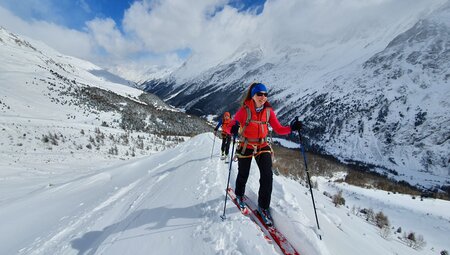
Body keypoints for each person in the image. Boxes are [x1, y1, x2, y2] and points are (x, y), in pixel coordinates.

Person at [225, 82, 302, 226]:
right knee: (243, 173)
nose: (263, 97)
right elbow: (229, 128)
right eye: (259, 94)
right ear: (253, 95)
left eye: (265, 94)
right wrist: (234, 129)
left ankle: (263, 207)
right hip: (246, 144)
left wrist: (291, 128)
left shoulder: (268, 111)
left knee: (267, 175)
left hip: (262, 145)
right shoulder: (244, 110)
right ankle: (240, 195)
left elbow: (278, 129)